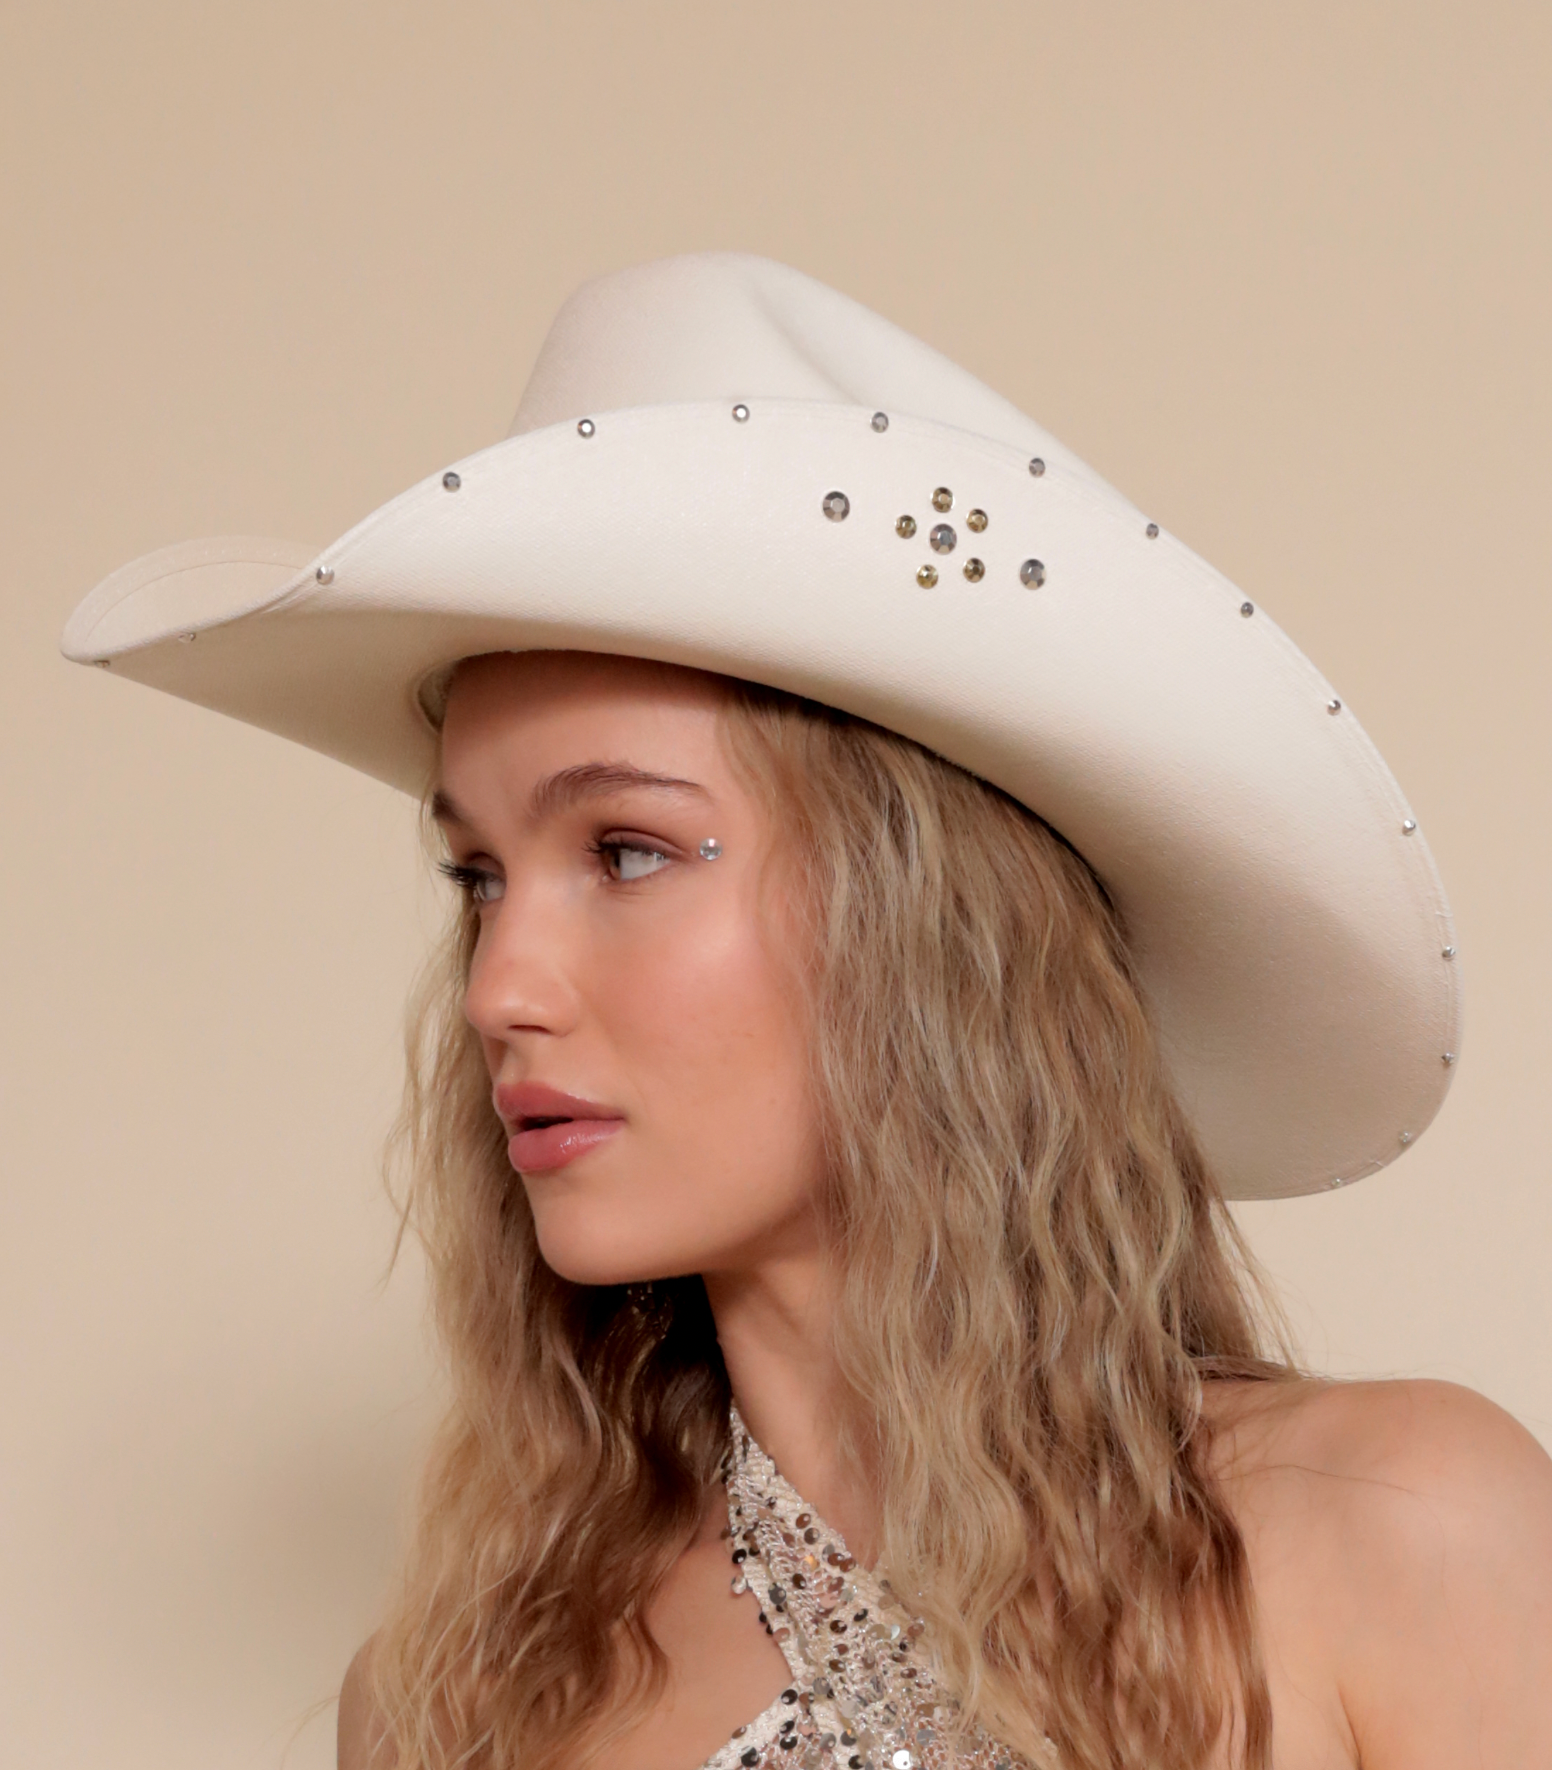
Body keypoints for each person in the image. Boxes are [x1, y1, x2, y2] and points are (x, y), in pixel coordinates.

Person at [62, 254, 1552, 1770]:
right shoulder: (460, 1705)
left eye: (627, 850)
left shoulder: (1400, 1534)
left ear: (925, 929)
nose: (502, 987)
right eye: (478, 877)